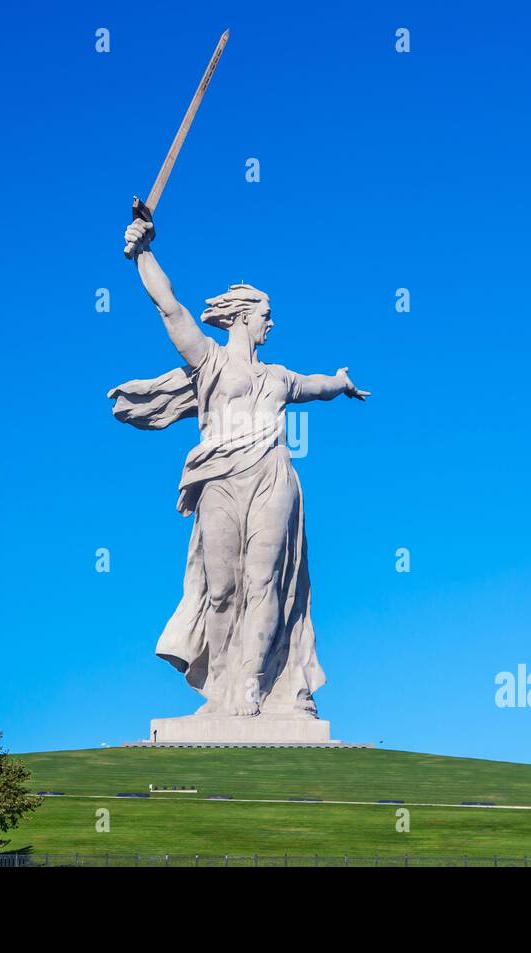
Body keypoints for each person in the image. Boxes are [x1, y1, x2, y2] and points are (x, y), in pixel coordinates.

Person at [111, 214, 369, 719]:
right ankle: (223, 688)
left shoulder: (278, 376)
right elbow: (170, 308)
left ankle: (252, 685)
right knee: (223, 589)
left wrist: (340, 381)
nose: (271, 323)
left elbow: (317, 385)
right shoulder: (208, 361)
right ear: (241, 316)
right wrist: (143, 252)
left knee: (264, 582)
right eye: (265, 314)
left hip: (272, 475)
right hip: (219, 480)